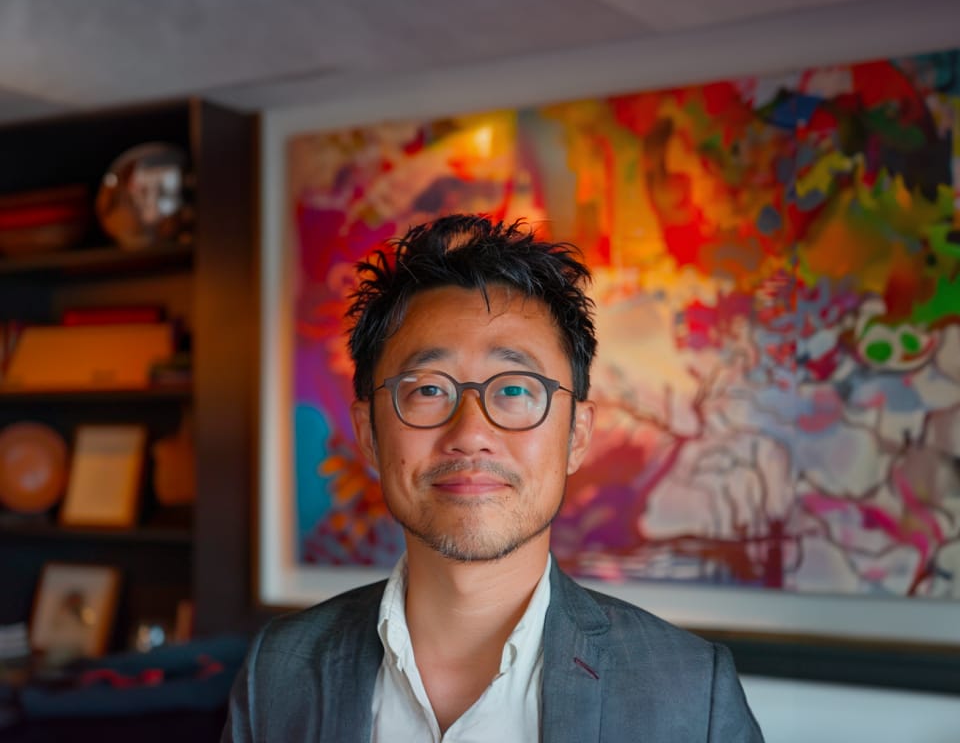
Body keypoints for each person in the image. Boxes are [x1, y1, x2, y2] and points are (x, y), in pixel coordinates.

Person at [222, 214, 764, 741]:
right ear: (368, 433)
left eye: (514, 390)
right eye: (429, 389)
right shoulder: (278, 671)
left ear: (577, 433)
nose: (471, 433)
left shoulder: (690, 695)